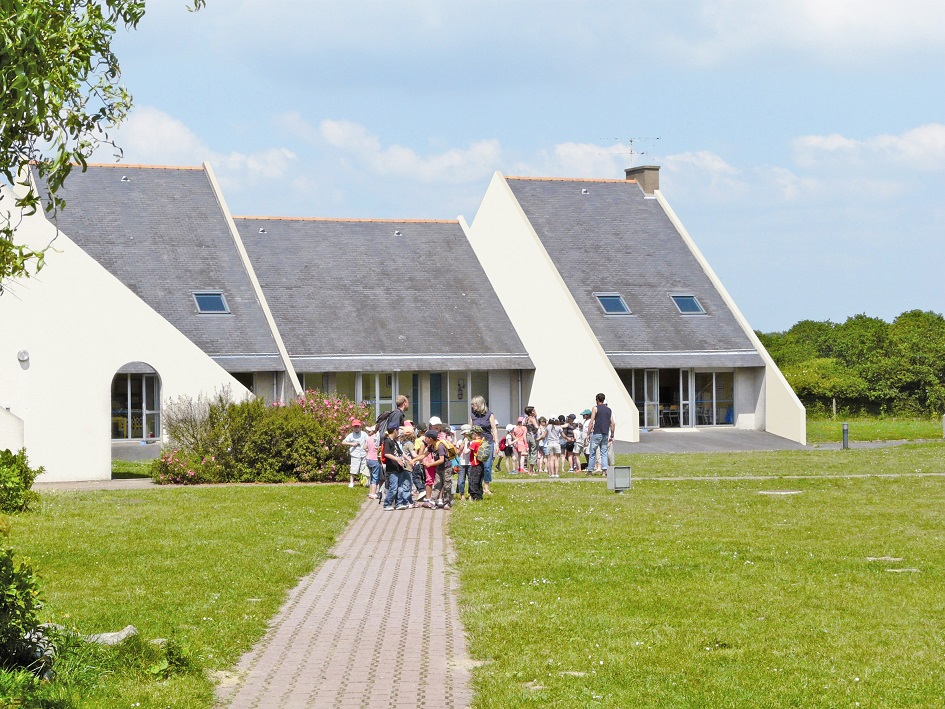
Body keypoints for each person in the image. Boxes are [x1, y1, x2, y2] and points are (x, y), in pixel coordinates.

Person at [469, 395, 499, 495]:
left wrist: (497, 443)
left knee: (487, 466)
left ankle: (486, 487)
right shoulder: (473, 415)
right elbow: (470, 430)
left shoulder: (489, 415)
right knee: (478, 466)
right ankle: (478, 486)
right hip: (477, 443)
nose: (472, 406)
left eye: (474, 404)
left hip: (488, 442)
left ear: (480, 404)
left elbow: (494, 429)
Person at [382, 426, 412, 510]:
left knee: (400, 487)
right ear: (395, 430)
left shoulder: (394, 442)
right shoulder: (387, 441)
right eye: (398, 431)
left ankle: (399, 503)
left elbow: (401, 453)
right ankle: (387, 504)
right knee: (393, 488)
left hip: (399, 468)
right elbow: (386, 454)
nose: (398, 433)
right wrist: (397, 459)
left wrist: (409, 459)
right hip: (392, 468)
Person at [588, 393, 616, 474]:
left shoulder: (595, 408)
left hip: (597, 432)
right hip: (605, 433)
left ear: (597, 400)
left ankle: (590, 470)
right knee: (604, 453)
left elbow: (591, 421)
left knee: (593, 452)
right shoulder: (609, 410)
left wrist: (588, 433)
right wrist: (612, 434)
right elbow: (612, 423)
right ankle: (604, 470)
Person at [342, 419, 368, 488]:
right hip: (355, 454)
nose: (356, 428)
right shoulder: (351, 435)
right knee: (353, 469)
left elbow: (368, 441)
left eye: (357, 427)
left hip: (363, 454)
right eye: (355, 427)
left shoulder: (364, 434)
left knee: (364, 469)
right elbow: (343, 442)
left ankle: (364, 482)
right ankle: (351, 482)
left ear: (360, 427)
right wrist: (352, 444)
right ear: (352, 427)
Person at [467, 426, 486, 500]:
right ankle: (479, 496)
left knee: (473, 481)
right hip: (481, 464)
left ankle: (474, 497)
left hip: (475, 464)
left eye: (472, 434)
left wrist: (466, 443)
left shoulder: (474, 443)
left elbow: (466, 452)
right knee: (479, 481)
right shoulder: (482, 441)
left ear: (475, 434)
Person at [364, 425, 382, 499]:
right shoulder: (377, 439)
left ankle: (371, 492)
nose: (368, 432)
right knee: (375, 477)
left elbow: (365, 447)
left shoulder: (368, 438)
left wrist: (369, 451)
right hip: (375, 459)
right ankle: (373, 493)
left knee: (372, 476)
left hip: (368, 459)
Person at [456, 424, 472, 499]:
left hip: (470, 463)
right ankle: (461, 494)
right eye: (465, 434)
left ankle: (470, 494)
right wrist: (461, 447)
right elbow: (457, 453)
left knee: (471, 479)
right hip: (462, 463)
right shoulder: (460, 442)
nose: (467, 435)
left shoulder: (472, 442)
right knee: (461, 480)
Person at [524, 406, 539, 475]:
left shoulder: (526, 419)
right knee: (534, 453)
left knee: (531, 452)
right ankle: (530, 471)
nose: (535, 411)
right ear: (530, 412)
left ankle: (530, 470)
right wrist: (536, 431)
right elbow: (537, 426)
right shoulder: (532, 419)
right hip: (533, 436)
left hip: (528, 436)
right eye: (533, 411)